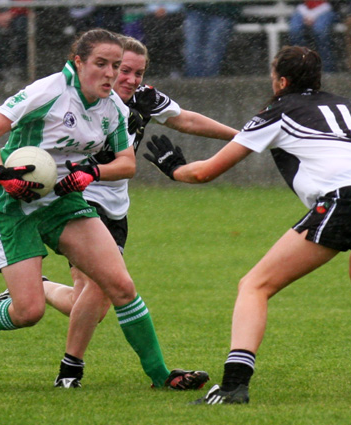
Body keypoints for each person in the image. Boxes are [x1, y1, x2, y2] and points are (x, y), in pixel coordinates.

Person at [143, 45, 351, 404]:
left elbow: (206, 172)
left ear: (281, 80)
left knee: (255, 285)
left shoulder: (277, 111)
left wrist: (174, 169)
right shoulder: (342, 105)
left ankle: (235, 385)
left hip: (348, 196)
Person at [0, 29, 208, 393]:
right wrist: (0, 173)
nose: (110, 73)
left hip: (64, 203)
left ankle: (162, 375)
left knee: (121, 286)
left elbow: (127, 163)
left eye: (115, 65)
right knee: (29, 312)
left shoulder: (113, 108)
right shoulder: (47, 91)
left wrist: (90, 172)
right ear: (77, 62)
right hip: (14, 204)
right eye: (101, 64)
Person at [19, 35, 238, 388]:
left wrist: (242, 136)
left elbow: (188, 120)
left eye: (138, 72)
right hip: (77, 199)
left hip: (116, 205)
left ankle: (32, 294)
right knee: (102, 288)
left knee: (93, 299)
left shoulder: (142, 99)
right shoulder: (75, 96)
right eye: (123, 70)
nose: (130, 79)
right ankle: (71, 371)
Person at [183, 3, 241, 77]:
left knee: (212, 48)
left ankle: (207, 81)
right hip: (196, 9)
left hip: (224, 11)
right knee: (193, 48)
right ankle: (194, 80)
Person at [289, 1, 337, 72]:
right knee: (295, 31)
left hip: (326, 9)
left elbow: (336, 4)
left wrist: (315, 14)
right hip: (302, 9)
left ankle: (327, 69)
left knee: (320, 31)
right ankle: (301, 65)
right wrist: (306, 12)